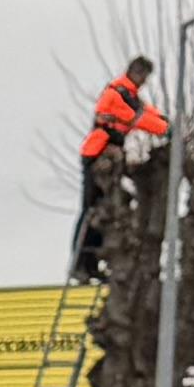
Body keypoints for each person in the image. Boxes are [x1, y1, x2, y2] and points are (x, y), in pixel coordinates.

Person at [70, 57, 172, 276]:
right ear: (135, 72)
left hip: (109, 157)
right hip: (99, 155)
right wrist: (164, 129)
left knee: (107, 208)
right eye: (143, 77)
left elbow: (147, 112)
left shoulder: (129, 94)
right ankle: (80, 264)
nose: (144, 82)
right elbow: (138, 118)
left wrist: (165, 121)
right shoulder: (117, 94)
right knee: (92, 209)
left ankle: (91, 264)